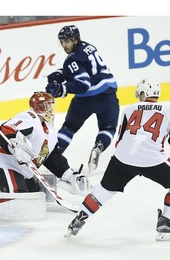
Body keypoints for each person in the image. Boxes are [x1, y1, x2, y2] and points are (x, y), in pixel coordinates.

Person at [0, 91, 91, 220]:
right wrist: (14, 145)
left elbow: (52, 157)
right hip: (5, 165)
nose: (51, 109)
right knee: (20, 202)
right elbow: (4, 131)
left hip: (25, 171)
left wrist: (70, 175)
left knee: (34, 198)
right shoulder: (29, 117)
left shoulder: (50, 130)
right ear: (41, 107)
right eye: (49, 105)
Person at [65, 78, 170, 241]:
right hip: (152, 159)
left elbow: (120, 139)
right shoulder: (168, 111)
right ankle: (166, 222)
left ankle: (79, 218)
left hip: (122, 159)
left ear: (144, 94)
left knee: (104, 190)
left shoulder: (129, 109)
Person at [45, 25, 119, 173]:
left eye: (67, 41)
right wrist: (62, 73)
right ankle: (99, 146)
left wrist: (62, 89)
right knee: (108, 128)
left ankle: (54, 155)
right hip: (107, 95)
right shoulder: (88, 47)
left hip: (85, 100)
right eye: (62, 41)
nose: (64, 45)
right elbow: (82, 68)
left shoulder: (72, 59)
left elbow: (83, 83)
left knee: (69, 128)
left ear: (75, 39)